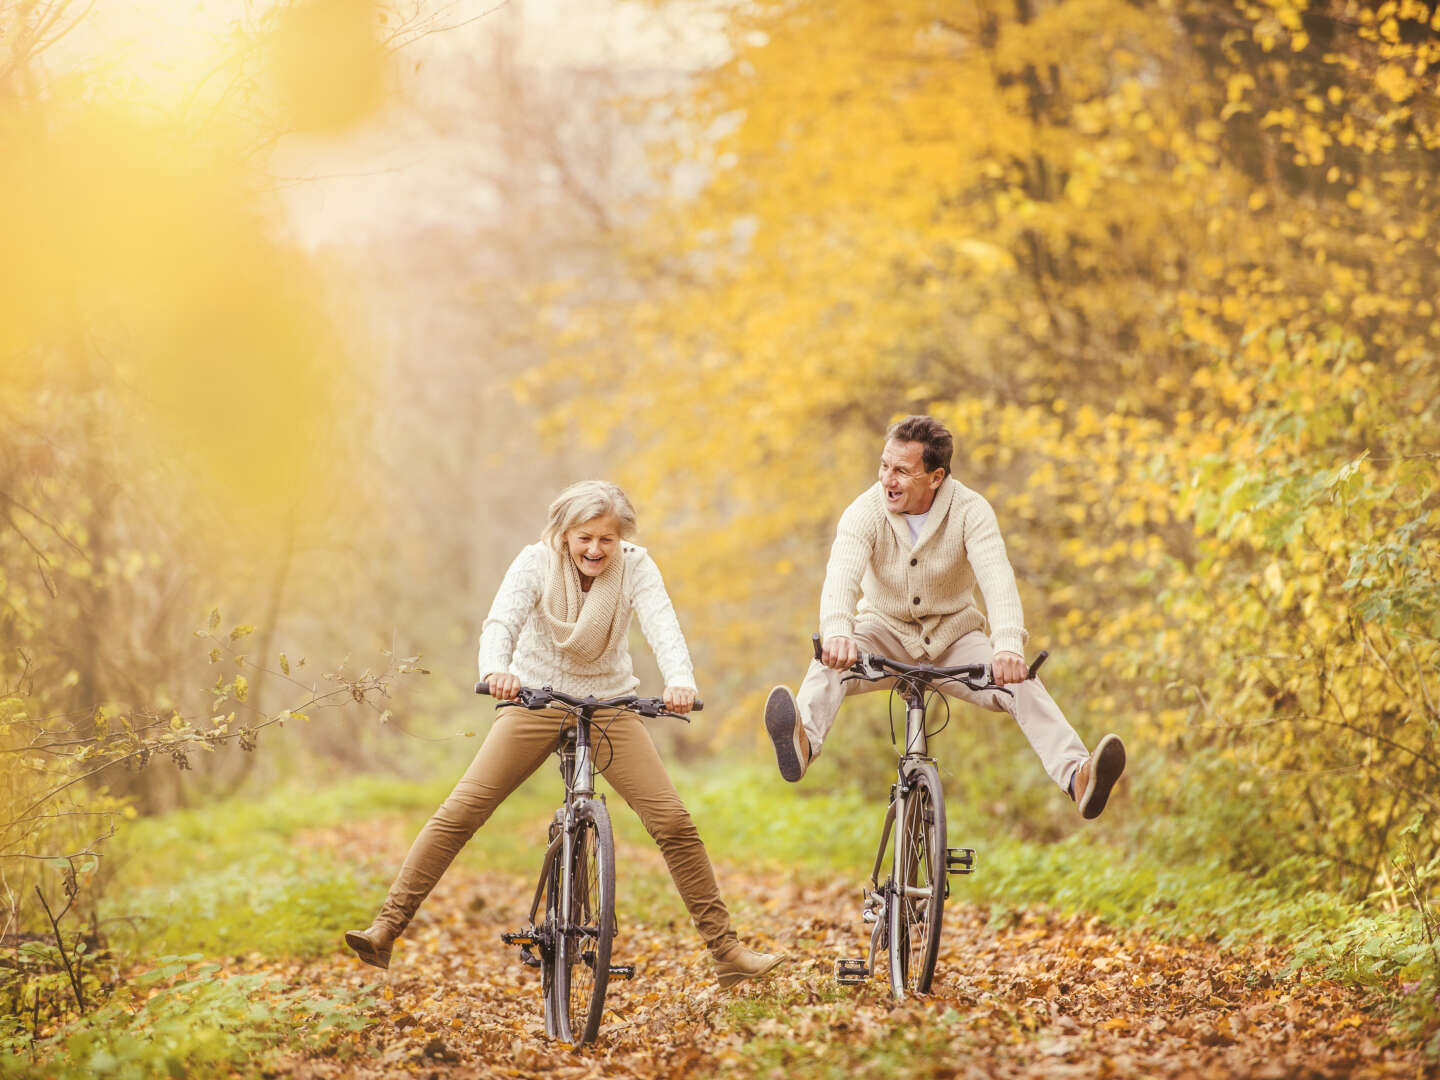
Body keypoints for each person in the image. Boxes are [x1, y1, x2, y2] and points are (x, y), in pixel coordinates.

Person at [346, 480, 784, 988]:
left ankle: (726, 952)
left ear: (622, 539)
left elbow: (663, 625)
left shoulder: (637, 566)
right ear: (563, 534)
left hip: (611, 704)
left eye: (607, 539)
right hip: (534, 697)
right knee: (462, 810)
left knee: (673, 821)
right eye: (585, 538)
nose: (596, 550)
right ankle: (386, 929)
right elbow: (500, 623)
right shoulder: (534, 562)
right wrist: (497, 671)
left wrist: (681, 681)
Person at [763, 415, 1126, 818]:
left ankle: (1077, 775)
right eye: (884, 466)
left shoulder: (971, 511)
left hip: (955, 639)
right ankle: (804, 743)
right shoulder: (864, 512)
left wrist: (1007, 647)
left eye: (902, 470)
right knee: (826, 666)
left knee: (1023, 683)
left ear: (936, 477)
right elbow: (841, 578)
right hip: (881, 632)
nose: (888, 479)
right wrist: (837, 633)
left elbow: (998, 580)